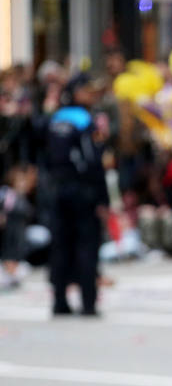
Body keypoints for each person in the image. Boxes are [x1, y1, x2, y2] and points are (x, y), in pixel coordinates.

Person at [41, 73, 108, 316]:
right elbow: (93, 162)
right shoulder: (84, 120)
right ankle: (88, 302)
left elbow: (45, 156)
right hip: (83, 193)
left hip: (58, 191)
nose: (91, 95)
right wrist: (103, 198)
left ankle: (59, 301)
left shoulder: (55, 119)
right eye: (87, 91)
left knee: (60, 245)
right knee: (87, 246)